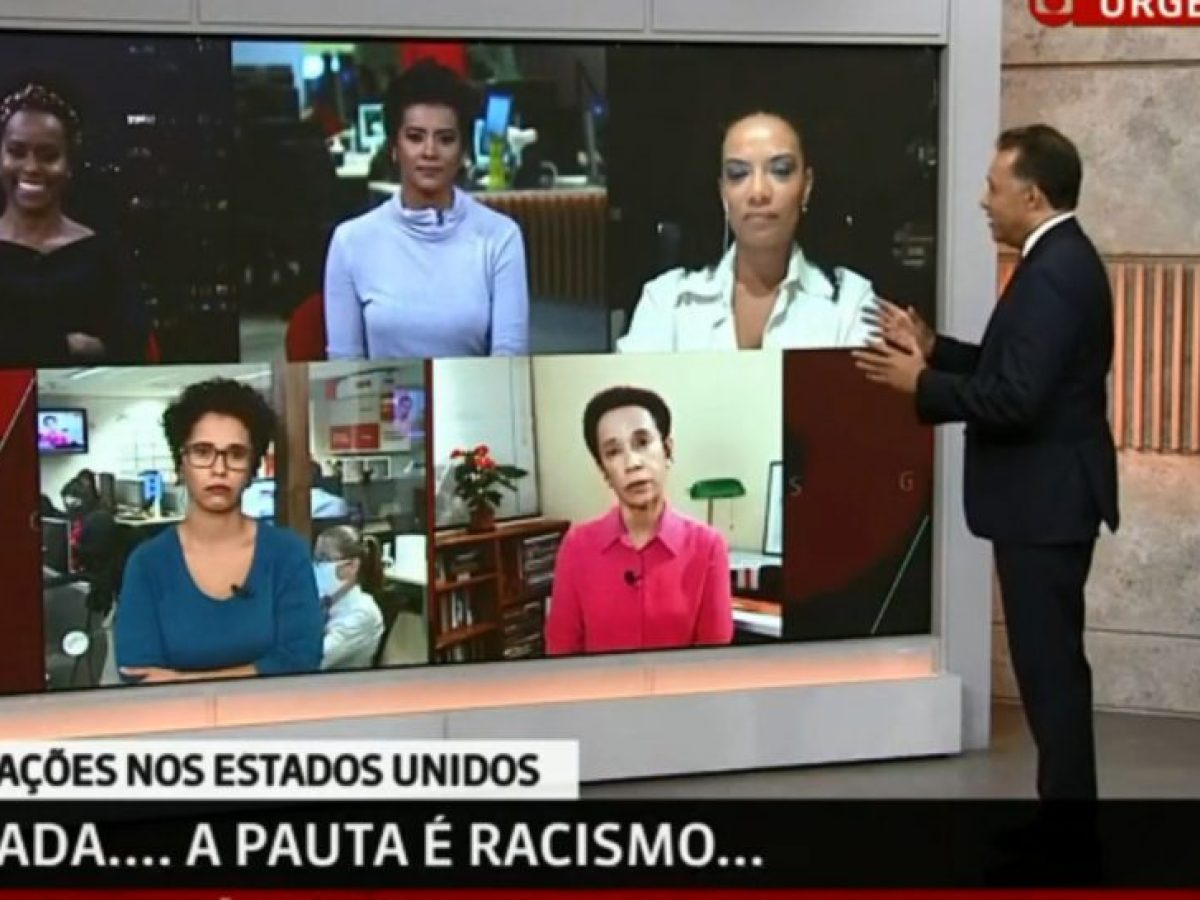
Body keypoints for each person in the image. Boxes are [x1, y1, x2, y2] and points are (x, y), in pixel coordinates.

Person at [852, 125, 1119, 801]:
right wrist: (934, 347)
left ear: (1032, 196)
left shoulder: (1056, 272)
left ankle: (1069, 830)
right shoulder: (1054, 258)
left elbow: (1015, 401)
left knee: (1051, 674)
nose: (982, 200)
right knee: (1048, 670)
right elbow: (1013, 371)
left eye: (994, 187)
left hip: (1046, 504)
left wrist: (921, 384)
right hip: (1044, 501)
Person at [114, 378, 323, 683]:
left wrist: (184, 681)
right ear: (180, 464)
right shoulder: (148, 564)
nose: (219, 469)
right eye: (202, 452)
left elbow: (302, 659)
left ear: (253, 468)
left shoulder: (286, 554)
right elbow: (138, 673)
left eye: (236, 454)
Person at [617, 110, 876, 353]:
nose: (758, 192)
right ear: (723, 193)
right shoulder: (666, 301)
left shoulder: (850, 301)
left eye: (780, 171)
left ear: (806, 186)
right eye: (738, 174)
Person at [323, 59, 529, 359]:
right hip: (381, 391)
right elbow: (344, 365)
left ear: (463, 151)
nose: (430, 152)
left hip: (477, 390)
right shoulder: (351, 241)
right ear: (394, 147)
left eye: (445, 139)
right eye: (415, 137)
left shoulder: (500, 237)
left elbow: (510, 362)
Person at [544, 386, 733, 655]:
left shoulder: (708, 546)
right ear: (603, 470)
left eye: (642, 442)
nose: (632, 463)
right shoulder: (576, 546)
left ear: (667, 450)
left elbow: (714, 660)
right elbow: (561, 653)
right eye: (613, 452)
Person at [0, 81, 146, 366]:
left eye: (49, 156)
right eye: (16, 152)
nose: (31, 167)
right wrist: (69, 345)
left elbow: (130, 349)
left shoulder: (103, 256)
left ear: (69, 165)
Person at [313, 524, 386, 670]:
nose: (317, 566)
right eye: (316, 558)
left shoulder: (363, 612)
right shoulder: (327, 601)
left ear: (352, 566)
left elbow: (312, 660)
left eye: (325, 558)